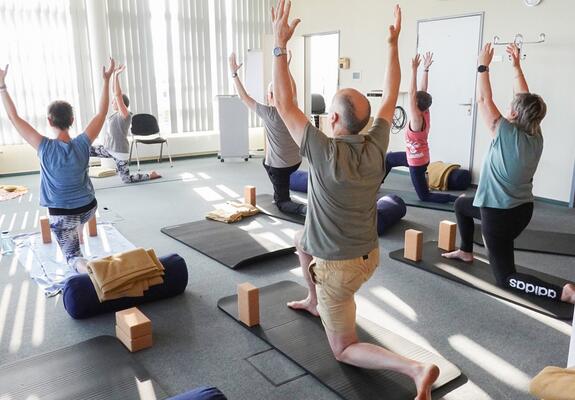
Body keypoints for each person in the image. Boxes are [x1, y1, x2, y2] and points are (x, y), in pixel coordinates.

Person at [270, 1, 439, 398]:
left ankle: (415, 369)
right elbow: (392, 92)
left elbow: (283, 104)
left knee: (343, 349)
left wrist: (279, 48)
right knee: (301, 241)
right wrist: (393, 44)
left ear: (332, 121)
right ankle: (314, 300)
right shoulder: (377, 141)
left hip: (340, 268)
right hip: (368, 254)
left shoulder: (322, 152)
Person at [442, 43, 575, 304]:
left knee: (505, 278)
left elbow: (483, 100)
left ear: (514, 113)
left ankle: (564, 293)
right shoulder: (535, 134)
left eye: (513, 106)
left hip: (499, 217)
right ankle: (466, 251)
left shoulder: (503, 131)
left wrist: (483, 66)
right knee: (462, 203)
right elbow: (525, 99)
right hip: (521, 210)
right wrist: (516, 66)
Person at [0, 59, 116, 273]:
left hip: (62, 213)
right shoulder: (83, 143)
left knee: (73, 257)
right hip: (88, 208)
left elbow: (13, 117)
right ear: (72, 119)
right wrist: (106, 80)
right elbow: (102, 113)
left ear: (49, 121)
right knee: (77, 220)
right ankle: (78, 231)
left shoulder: (43, 146)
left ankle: (87, 267)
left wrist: (2, 86)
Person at [229, 50, 306, 216]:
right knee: (266, 161)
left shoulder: (268, 113)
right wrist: (285, 67)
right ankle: (283, 187)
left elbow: (243, 97)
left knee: (282, 202)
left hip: (280, 167)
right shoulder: (293, 107)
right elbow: (292, 88)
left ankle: (304, 209)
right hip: (297, 161)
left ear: (270, 96)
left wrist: (234, 73)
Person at [383, 52, 457, 203]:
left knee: (425, 196)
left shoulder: (416, 120)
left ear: (416, 104)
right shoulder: (425, 112)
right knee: (389, 158)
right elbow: (422, 89)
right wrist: (426, 69)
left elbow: (412, 93)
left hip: (416, 163)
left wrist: (414, 69)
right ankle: (376, 183)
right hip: (418, 156)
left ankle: (456, 199)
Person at [90, 64, 161, 183]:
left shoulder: (125, 115)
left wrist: (116, 75)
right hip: (108, 149)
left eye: (115, 101)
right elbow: (115, 94)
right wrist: (113, 76)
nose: (112, 102)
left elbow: (117, 94)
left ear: (121, 103)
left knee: (126, 179)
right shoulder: (113, 116)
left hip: (119, 152)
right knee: (84, 150)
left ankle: (150, 175)